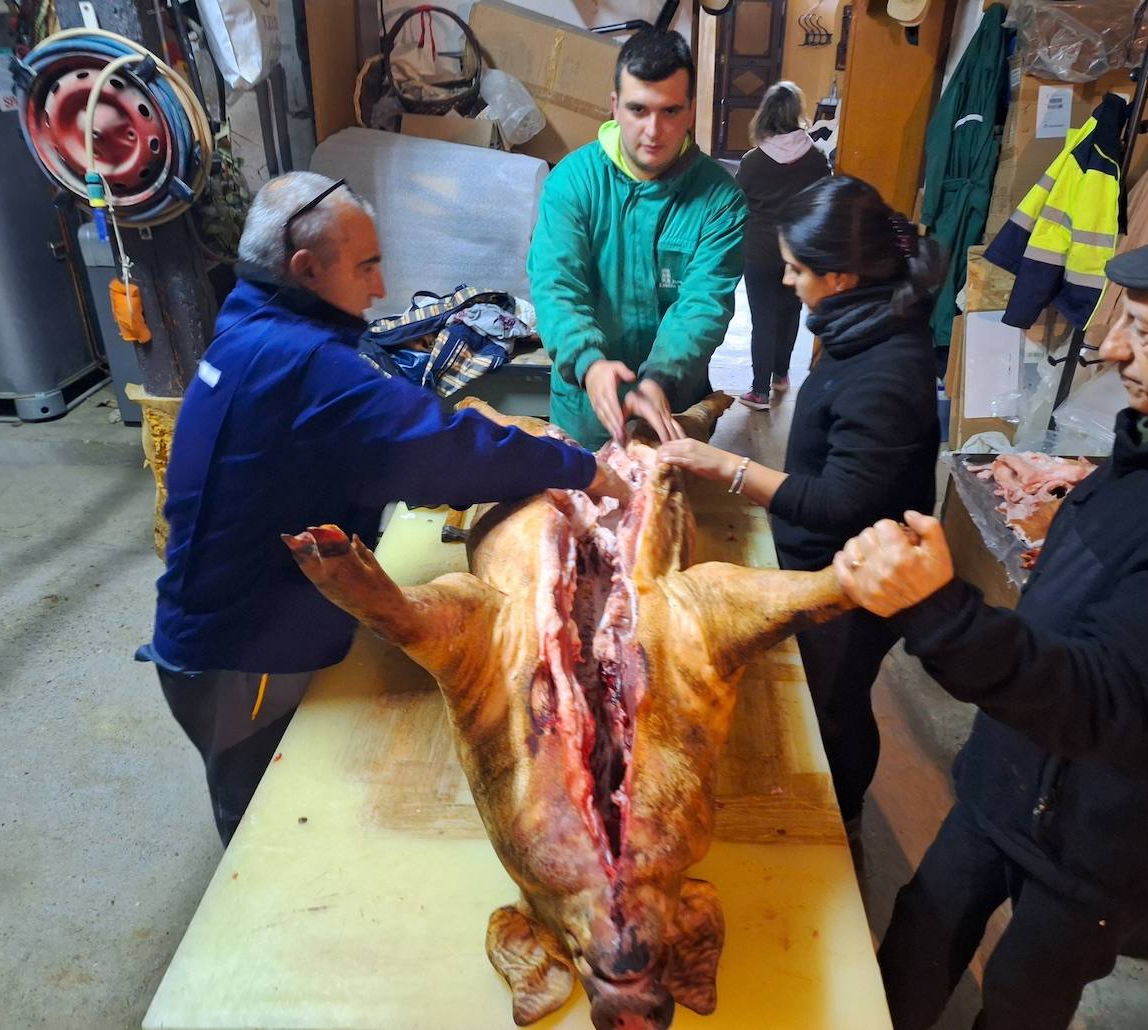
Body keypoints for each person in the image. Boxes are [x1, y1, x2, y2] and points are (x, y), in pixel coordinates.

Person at [833, 226, 1148, 1029]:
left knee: (1026, 992)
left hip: (1114, 827)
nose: (1108, 348)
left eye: (1141, 327)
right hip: (1020, 769)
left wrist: (937, 607)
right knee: (925, 922)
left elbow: (1107, 700)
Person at [138, 172, 629, 845]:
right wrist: (585, 470)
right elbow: (448, 450)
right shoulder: (307, 366)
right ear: (305, 268)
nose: (378, 288)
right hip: (240, 656)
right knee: (265, 826)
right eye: (366, 267)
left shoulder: (253, 324)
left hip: (224, 626)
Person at [658, 176, 942, 840]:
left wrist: (726, 466)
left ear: (840, 276)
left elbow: (840, 500)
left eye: (795, 269)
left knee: (833, 708)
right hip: (820, 556)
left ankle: (836, 826)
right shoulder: (862, 324)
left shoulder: (887, 371)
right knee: (821, 699)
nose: (786, 282)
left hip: (852, 579)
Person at [527, 28, 747, 450]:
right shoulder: (571, 183)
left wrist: (661, 378)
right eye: (638, 110)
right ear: (614, 106)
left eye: (669, 111)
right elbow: (557, 284)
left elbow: (703, 304)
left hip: (673, 405)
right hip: (585, 407)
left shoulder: (721, 200)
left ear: (690, 110)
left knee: (664, 511)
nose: (653, 130)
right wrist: (588, 363)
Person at [733, 81, 830, 411]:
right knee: (790, 314)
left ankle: (759, 392)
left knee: (763, 319)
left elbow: (737, 203)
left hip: (760, 250)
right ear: (796, 114)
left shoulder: (753, 162)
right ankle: (781, 375)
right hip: (799, 250)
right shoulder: (816, 160)